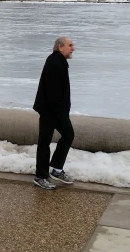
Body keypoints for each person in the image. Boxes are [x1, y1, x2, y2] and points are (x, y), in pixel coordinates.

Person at [32, 36, 76, 190]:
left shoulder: (59, 61)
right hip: (50, 111)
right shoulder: (54, 62)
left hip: (57, 111)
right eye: (70, 45)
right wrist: (59, 112)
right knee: (44, 142)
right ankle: (41, 176)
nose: (73, 48)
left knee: (68, 135)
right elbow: (52, 92)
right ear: (60, 47)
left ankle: (56, 169)